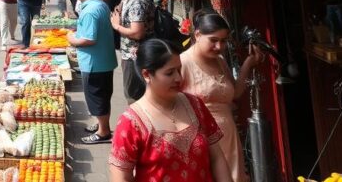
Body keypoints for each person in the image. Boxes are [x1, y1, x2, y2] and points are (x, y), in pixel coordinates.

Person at [109, 39, 232, 182]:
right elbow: (121, 177)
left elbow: (217, 157)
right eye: (169, 73)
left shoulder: (195, 105)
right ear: (147, 75)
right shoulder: (131, 122)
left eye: (179, 70)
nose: (178, 78)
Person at [181, 12, 263, 182]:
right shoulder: (183, 62)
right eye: (213, 40)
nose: (219, 46)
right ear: (197, 35)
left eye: (224, 41)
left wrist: (248, 63)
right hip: (201, 141)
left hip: (229, 136)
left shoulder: (220, 60)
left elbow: (235, 92)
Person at [68, 0, 119, 145]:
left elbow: (89, 39)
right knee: (102, 96)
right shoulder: (100, 5)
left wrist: (72, 39)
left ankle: (103, 132)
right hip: (103, 60)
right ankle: (101, 124)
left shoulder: (90, 11)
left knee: (97, 97)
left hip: (94, 62)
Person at [110, 0, 153, 103]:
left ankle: (137, 123)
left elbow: (137, 33)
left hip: (135, 54)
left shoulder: (137, 2)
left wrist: (116, 26)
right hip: (129, 53)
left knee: (134, 95)